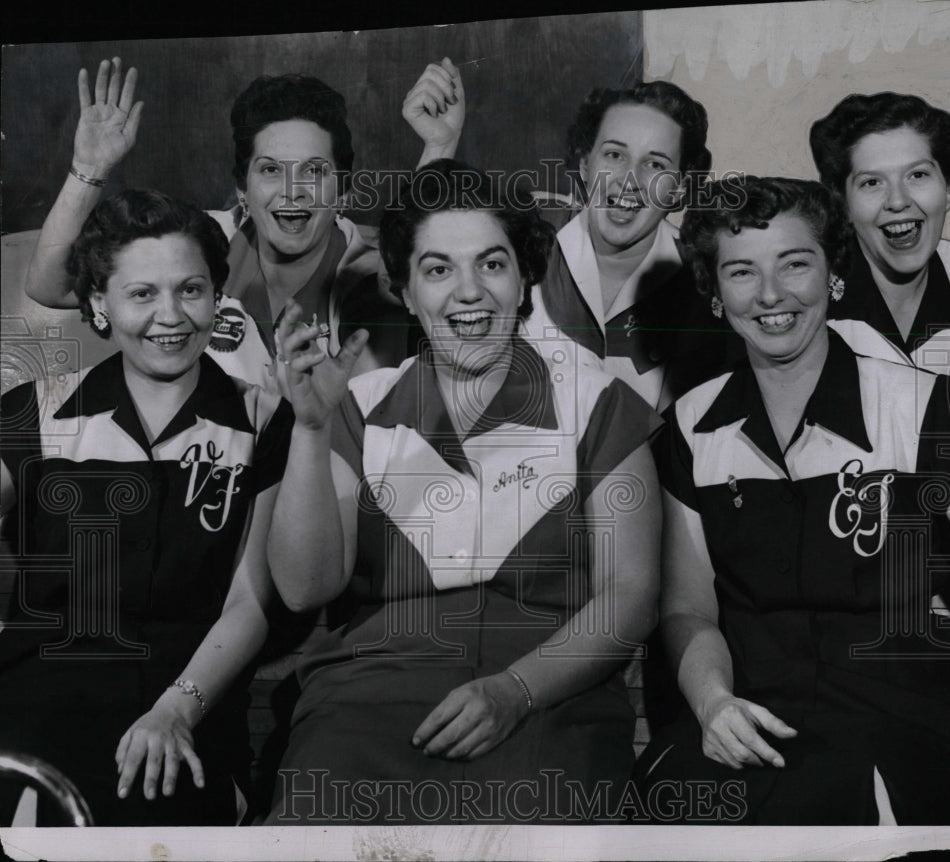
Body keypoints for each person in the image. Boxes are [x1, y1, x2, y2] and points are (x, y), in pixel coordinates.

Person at [264, 161, 662, 824]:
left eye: (492, 264)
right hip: (368, 707)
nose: (468, 292)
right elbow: (304, 588)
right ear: (407, 291)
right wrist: (309, 429)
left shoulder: (596, 400)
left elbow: (631, 597)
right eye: (439, 269)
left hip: (550, 702)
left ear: (524, 276)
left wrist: (515, 692)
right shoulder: (356, 406)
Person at [636, 176, 950, 824]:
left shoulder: (927, 407)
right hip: (745, 718)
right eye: (740, 272)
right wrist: (714, 705)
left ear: (832, 274)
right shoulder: (691, 425)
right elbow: (689, 610)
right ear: (715, 295)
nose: (771, 295)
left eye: (795, 264)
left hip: (890, 726)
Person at [0, 190, 292, 825]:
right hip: (39, 701)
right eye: (141, 294)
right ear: (99, 304)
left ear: (218, 295)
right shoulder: (41, 410)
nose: (171, 316)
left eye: (191, 289)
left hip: (191, 707)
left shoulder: (264, 418)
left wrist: (177, 709)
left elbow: (252, 602)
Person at [23, 57, 465, 389]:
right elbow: (51, 286)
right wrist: (89, 167)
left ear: (343, 193)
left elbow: (424, 270)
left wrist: (438, 148)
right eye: (271, 169)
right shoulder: (197, 242)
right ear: (242, 190)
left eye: (314, 171)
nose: (292, 190)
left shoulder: (368, 267)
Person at [520, 81, 728, 409]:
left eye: (655, 164)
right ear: (586, 164)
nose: (629, 180)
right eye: (615, 154)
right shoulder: (526, 230)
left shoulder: (701, 283)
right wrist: (438, 145)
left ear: (679, 187)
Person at [809, 92, 950, 397]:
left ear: (949, 187)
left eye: (917, 175)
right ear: (842, 202)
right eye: (871, 182)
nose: (897, 201)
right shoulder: (805, 296)